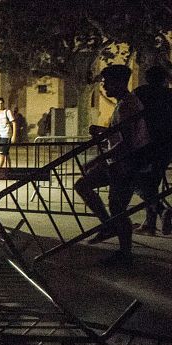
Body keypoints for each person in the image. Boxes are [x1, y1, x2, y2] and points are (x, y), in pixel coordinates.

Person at [74, 64, 151, 266]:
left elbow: (127, 142)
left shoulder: (127, 105)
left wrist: (97, 159)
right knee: (86, 187)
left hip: (126, 164)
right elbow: (122, 132)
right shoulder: (124, 103)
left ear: (118, 82)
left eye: (107, 82)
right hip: (118, 162)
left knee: (117, 207)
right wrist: (102, 130)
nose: (104, 86)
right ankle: (109, 227)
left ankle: (124, 252)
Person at [132, 66, 172, 236]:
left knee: (136, 180)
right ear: (164, 79)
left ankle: (160, 211)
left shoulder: (140, 92)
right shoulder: (169, 95)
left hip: (145, 145)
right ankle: (151, 222)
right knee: (151, 182)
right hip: (166, 146)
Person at [0, 97, 15, 167]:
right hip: (0, 136)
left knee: (1, 154)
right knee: (5, 153)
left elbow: (14, 123)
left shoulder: (7, 112)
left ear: (4, 104)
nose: (0, 105)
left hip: (6, 136)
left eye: (1, 103)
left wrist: (14, 136)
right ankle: (9, 169)